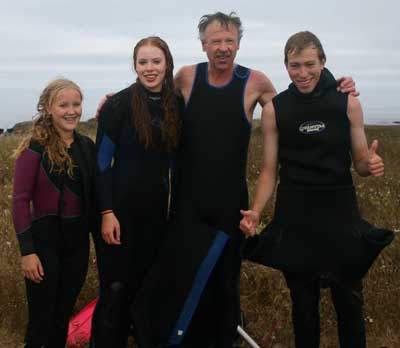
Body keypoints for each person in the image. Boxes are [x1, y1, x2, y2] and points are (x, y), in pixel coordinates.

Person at [129, 13, 358, 348]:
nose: (223, 48)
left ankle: (224, 339)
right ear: (203, 44)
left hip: (231, 201)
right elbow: (151, 96)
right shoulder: (187, 77)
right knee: (182, 272)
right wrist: (115, 102)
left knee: (225, 279)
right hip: (186, 199)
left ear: (238, 43)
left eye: (229, 41)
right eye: (215, 41)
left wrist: (335, 85)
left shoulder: (256, 82)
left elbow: (297, 110)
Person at [240, 31, 394, 348]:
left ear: (323, 62)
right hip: (296, 215)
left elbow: (361, 163)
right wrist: (256, 210)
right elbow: (270, 170)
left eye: (310, 64)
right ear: (286, 66)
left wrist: (372, 164)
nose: (303, 73)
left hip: (340, 211)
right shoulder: (275, 110)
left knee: (350, 301)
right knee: (303, 306)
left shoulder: (347, 103)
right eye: (295, 65)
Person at [90, 36, 182, 348]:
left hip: (156, 214)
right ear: (135, 65)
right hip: (117, 213)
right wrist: (106, 212)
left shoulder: (176, 103)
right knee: (115, 288)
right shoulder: (119, 105)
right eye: (143, 62)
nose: (150, 68)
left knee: (147, 289)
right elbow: (101, 162)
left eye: (156, 61)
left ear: (167, 63)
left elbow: (176, 164)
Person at [12, 78, 97, 348]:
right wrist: (27, 252)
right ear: (48, 108)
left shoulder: (86, 146)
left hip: (77, 244)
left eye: (76, 104)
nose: (71, 111)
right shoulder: (34, 149)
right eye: (63, 105)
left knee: (62, 318)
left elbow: (97, 195)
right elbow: (20, 201)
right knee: (41, 320)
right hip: (44, 244)